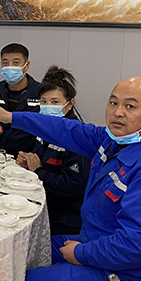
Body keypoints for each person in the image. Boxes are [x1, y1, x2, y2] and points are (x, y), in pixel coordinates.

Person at [0, 77, 141, 281]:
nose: (118, 112)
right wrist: (12, 118)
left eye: (130, 106)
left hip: (128, 279)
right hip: (96, 241)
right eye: (113, 103)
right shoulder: (113, 140)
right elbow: (66, 129)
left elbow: (137, 246)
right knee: (22, 249)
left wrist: (81, 253)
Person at [15, 66, 91, 236]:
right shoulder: (45, 129)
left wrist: (38, 171)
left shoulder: (77, 136)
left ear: (69, 104)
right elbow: (40, 160)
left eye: (55, 102)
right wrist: (28, 162)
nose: (48, 106)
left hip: (64, 217)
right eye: (44, 101)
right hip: (42, 204)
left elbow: (73, 185)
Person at [0, 43, 41, 157]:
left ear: (26, 65)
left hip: (26, 157)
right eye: (5, 63)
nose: (10, 66)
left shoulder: (41, 93)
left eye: (16, 63)